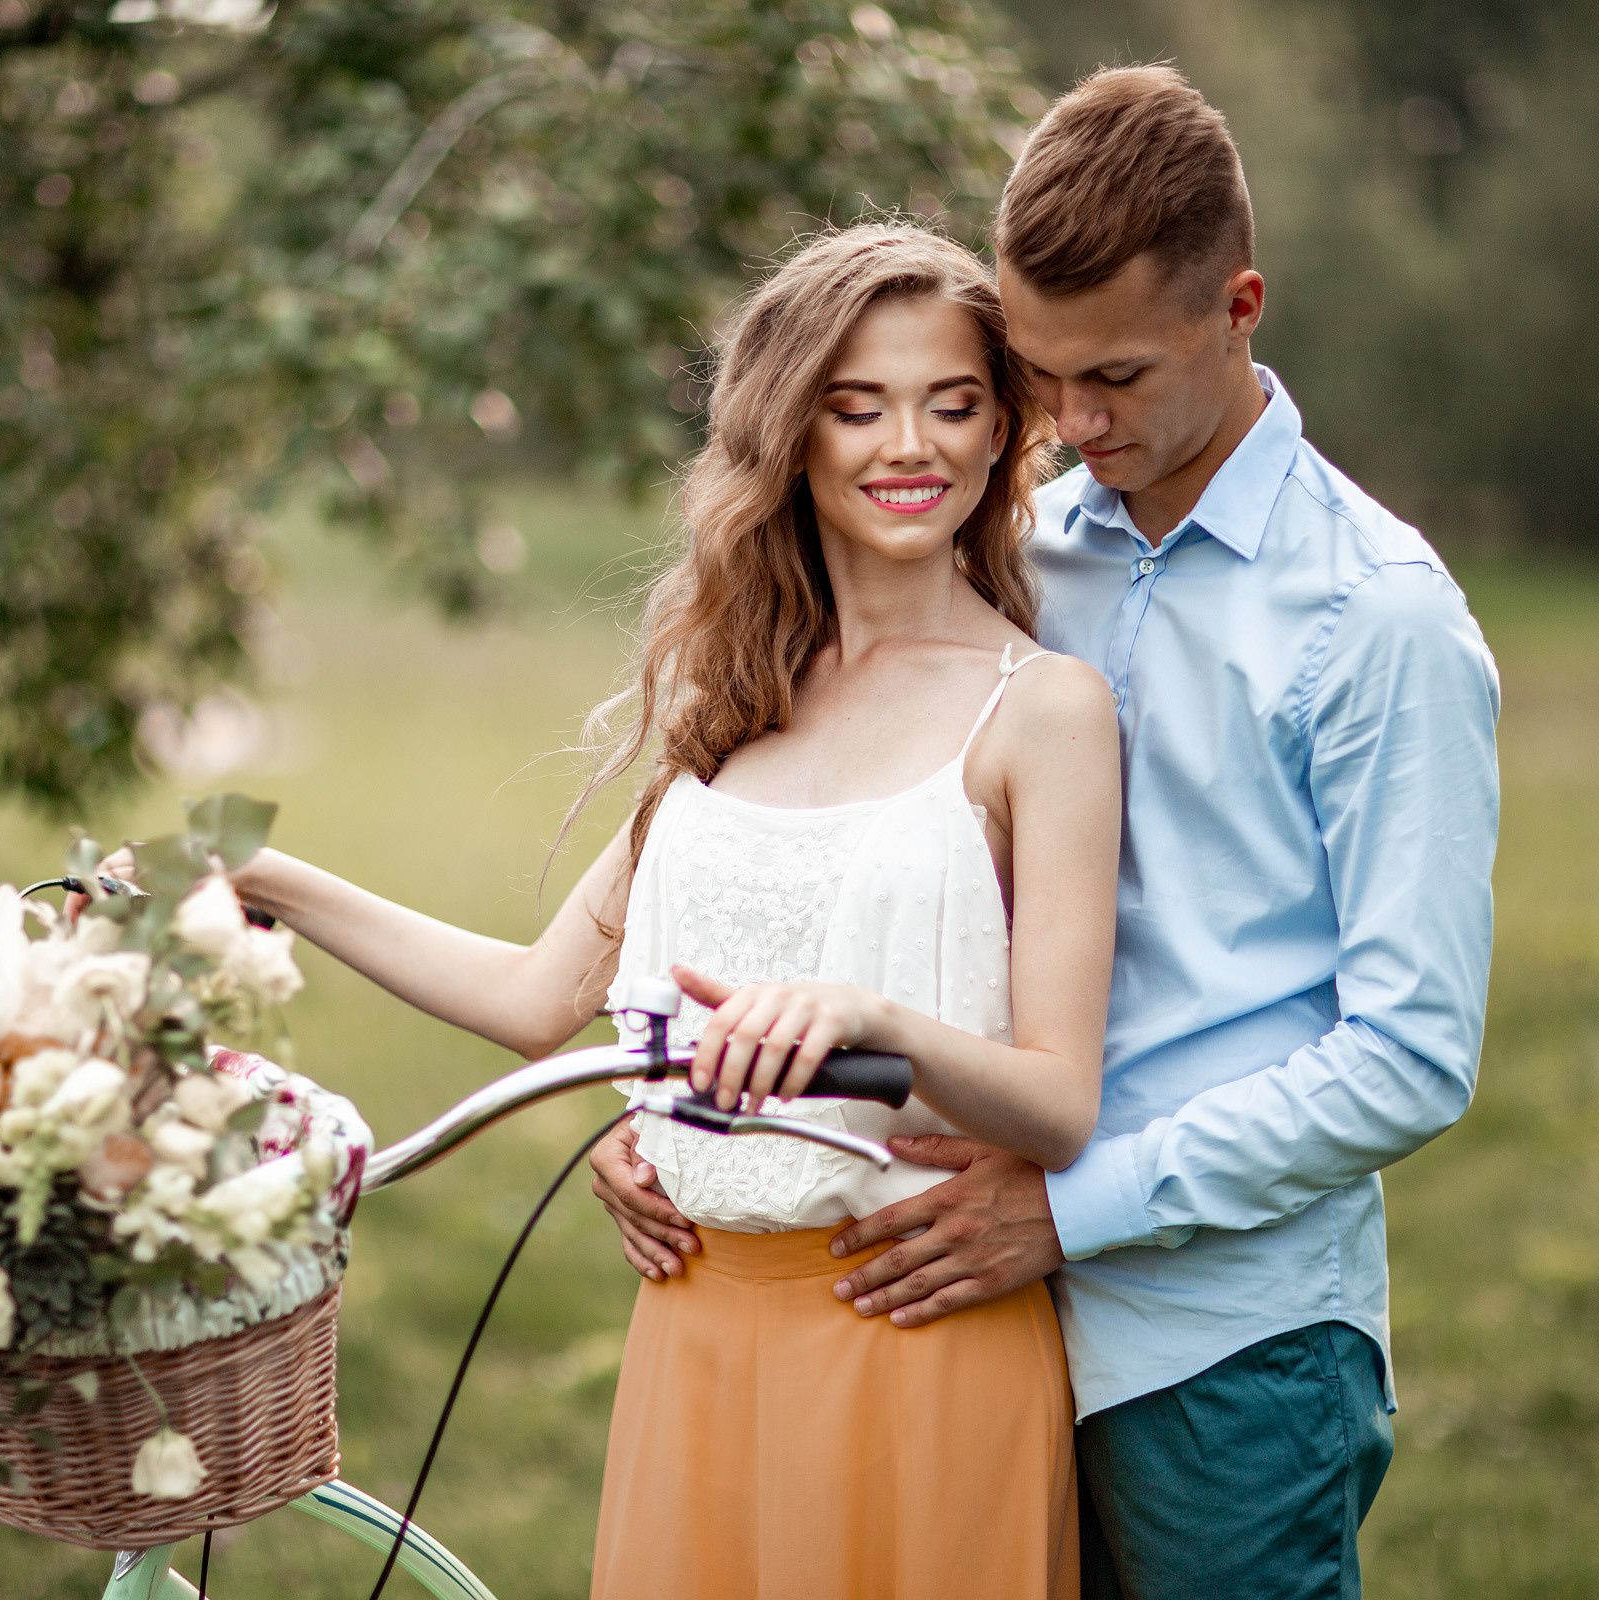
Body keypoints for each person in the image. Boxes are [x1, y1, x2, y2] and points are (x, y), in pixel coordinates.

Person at [592, 65, 1503, 1600]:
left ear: (1242, 307)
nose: (1072, 423)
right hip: (958, 1304)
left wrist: (1070, 1213)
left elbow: (1410, 1054)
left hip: (1220, 1343)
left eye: (1121, 378)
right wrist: (671, 1116)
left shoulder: (1376, 616)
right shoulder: (1035, 553)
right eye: (1043, 374)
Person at [216, 224, 1121, 1598]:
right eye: (857, 404)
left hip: (916, 1332)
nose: (910, 446)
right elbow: (537, 1001)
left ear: (1004, 429)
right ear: (790, 431)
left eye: (953, 403)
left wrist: (873, 1020)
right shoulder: (734, 699)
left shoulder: (1041, 708)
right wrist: (257, 873)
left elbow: (1057, 1101)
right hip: (695, 1329)